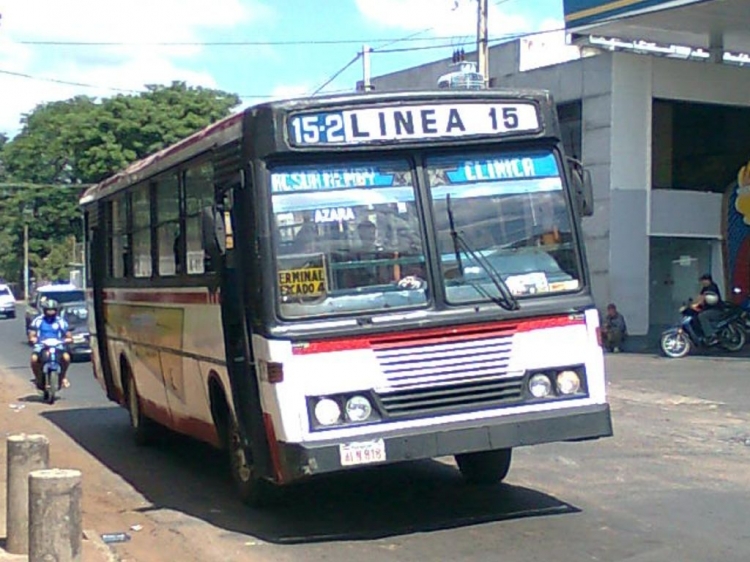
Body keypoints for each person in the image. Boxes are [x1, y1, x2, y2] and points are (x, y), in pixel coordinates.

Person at [28, 298, 73, 390]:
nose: (50, 313)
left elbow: (68, 335)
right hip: (41, 345)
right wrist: (33, 339)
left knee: (66, 358)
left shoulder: (61, 321)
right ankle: (38, 378)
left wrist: (68, 339)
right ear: (44, 311)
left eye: (52, 310)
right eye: (48, 310)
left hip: (58, 345)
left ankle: (63, 377)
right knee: (34, 359)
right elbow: (32, 334)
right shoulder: (38, 321)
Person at [695, 273, 723, 344]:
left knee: (702, 316)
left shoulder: (712, 287)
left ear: (708, 280)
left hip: (716, 310)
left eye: (703, 281)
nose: (702, 283)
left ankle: (711, 336)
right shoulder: (705, 288)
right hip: (709, 309)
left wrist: (698, 303)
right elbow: (700, 296)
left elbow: (704, 297)